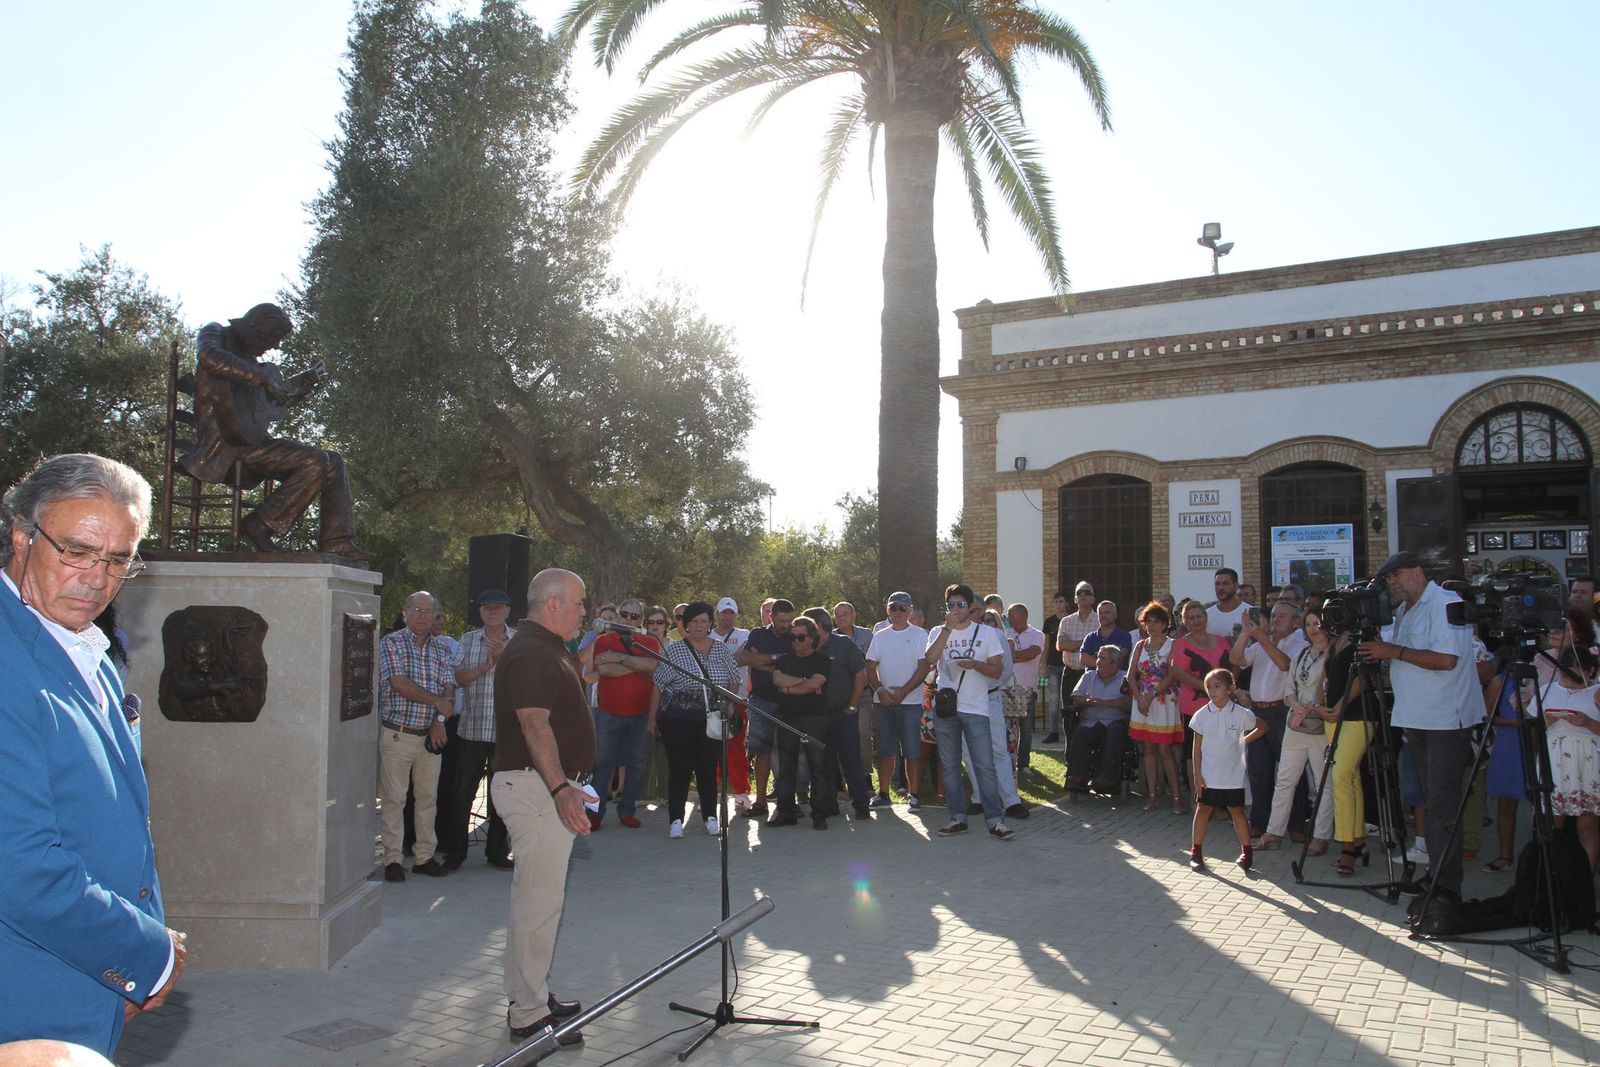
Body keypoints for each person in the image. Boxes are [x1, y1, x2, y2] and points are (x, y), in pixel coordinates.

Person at [0, 455, 185, 1055]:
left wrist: (124, 961)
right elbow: (18, 864)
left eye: (118, 560)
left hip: (86, 983)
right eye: (77, 552)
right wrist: (144, 953)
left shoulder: (88, 649)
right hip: (23, 1000)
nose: (97, 579)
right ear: (21, 536)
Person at [179, 303, 372, 560]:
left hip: (252, 443)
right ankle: (260, 524)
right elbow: (209, 357)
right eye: (273, 339)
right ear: (258, 328)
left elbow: (266, 406)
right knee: (314, 461)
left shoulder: (251, 363)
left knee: (333, 461)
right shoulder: (216, 334)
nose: (275, 346)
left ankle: (337, 541)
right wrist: (262, 377)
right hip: (226, 446)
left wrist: (304, 381)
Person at [492, 569, 593, 1046]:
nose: (584, 612)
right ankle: (528, 1015)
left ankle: (528, 994)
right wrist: (560, 790)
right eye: (579, 603)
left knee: (532, 901)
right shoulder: (532, 651)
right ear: (553, 604)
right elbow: (534, 725)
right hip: (536, 790)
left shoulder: (549, 647)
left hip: (540, 787)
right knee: (539, 904)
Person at [1359, 551, 1480, 903]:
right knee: (1431, 800)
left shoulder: (1445, 603)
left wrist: (1392, 652)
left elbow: (1446, 660)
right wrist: (1384, 657)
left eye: (1395, 575)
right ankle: (1435, 876)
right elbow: (1406, 659)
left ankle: (1447, 886)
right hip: (1416, 716)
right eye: (1388, 578)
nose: (1391, 582)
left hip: (1445, 718)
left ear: (1417, 571)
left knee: (1442, 803)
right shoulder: (1403, 610)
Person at [377, 591, 457, 880]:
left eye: (429, 611)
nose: (423, 616)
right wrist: (437, 702)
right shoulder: (391, 643)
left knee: (427, 799)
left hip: (429, 737)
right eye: (418, 610)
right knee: (394, 799)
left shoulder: (442, 649)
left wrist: (439, 720)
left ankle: (424, 857)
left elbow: (449, 689)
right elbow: (399, 683)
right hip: (398, 734)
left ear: (436, 615)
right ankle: (392, 859)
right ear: (405, 613)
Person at [926, 584, 1014, 840]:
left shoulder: (987, 633)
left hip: (976, 708)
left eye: (960, 604)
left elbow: (996, 670)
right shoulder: (939, 631)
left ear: (971, 607)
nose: (956, 609)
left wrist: (975, 664)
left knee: (985, 765)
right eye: (951, 605)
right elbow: (929, 659)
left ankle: (995, 821)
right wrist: (947, 628)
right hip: (947, 708)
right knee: (950, 765)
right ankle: (957, 818)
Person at [437, 588, 513, 870]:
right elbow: (455, 678)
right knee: (462, 794)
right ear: (480, 612)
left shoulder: (518, 641)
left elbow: (527, 679)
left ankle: (497, 851)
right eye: (487, 607)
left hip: (506, 734)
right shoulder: (467, 640)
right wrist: (485, 667)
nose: (492, 612)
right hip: (472, 731)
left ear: (507, 611)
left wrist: (503, 659)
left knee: (502, 796)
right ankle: (455, 853)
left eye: (498, 607)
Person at [651, 601, 740, 838]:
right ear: (686, 625)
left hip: (712, 718)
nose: (700, 625)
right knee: (680, 769)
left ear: (710, 623)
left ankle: (710, 817)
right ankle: (676, 820)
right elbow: (658, 685)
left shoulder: (720, 649)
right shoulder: (675, 651)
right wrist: (652, 719)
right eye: (694, 621)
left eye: (704, 621)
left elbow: (734, 679)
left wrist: (730, 704)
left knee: (708, 769)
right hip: (678, 719)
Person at [1255, 608, 1335, 856]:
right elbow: (1290, 686)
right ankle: (1273, 832)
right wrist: (1296, 704)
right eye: (1309, 624)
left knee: (1323, 782)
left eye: (1318, 623)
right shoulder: (1302, 653)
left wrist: (1313, 707)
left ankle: (1321, 836)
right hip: (1296, 723)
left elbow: (1330, 688)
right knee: (1285, 780)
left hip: (1320, 725)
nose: (1313, 629)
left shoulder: (1333, 654)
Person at [1230, 601, 1308, 838]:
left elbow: (1285, 665)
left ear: (1295, 622)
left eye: (1282, 616)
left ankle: (1297, 825)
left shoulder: (1300, 644)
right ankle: (1260, 823)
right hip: (1258, 713)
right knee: (1258, 771)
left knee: (1291, 771)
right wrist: (1246, 632)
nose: (1276, 619)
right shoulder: (1260, 643)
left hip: (1283, 713)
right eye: (1273, 615)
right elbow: (1236, 659)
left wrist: (1262, 639)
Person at [587, 598, 661, 829]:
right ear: (618, 616)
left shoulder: (650, 641)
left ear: (641, 620)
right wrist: (636, 665)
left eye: (634, 616)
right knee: (602, 764)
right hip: (608, 713)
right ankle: (594, 814)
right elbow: (603, 669)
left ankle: (627, 810)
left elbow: (653, 666)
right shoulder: (603, 640)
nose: (629, 619)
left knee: (636, 764)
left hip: (640, 714)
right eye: (625, 615)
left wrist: (619, 658)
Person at [1189, 669, 1267, 871]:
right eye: (1209, 687)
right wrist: (1197, 775)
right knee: (1203, 809)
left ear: (1230, 689)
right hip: (1209, 775)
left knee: (1237, 811)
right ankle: (1196, 852)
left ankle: (1246, 852)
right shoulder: (1201, 715)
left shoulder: (1242, 714)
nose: (1212, 691)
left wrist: (1243, 741)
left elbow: (1262, 727)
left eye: (1217, 686)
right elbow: (1196, 748)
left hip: (1233, 775)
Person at [802, 606, 872, 820]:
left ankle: (861, 804)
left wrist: (853, 705)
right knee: (823, 762)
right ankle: (828, 804)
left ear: (819, 626)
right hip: (817, 716)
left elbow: (861, 675)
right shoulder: (806, 647)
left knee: (851, 759)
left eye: (808, 626)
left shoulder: (843, 644)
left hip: (844, 713)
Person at [1540, 633, 1600, 871]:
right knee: (1552, 824)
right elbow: (1532, 725)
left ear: (1590, 671)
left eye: (1574, 675)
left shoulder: (1596, 693)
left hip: (1589, 764)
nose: (1567, 680)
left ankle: (1585, 880)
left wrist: (1588, 723)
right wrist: (1545, 721)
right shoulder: (1547, 690)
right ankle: (1553, 877)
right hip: (1556, 762)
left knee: (1587, 826)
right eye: (1564, 674)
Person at [769, 616, 834, 829]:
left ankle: (819, 814)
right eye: (792, 637)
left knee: (818, 766)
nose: (795, 641)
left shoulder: (822, 660)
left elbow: (817, 683)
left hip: (815, 719)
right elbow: (778, 680)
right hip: (787, 717)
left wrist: (791, 688)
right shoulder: (784, 660)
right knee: (786, 768)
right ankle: (785, 812)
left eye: (800, 637)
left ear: (812, 638)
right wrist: (804, 683)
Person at [866, 592, 929, 810]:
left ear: (910, 610)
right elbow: (870, 667)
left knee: (912, 751)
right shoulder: (880, 636)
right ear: (887, 610)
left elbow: (923, 667)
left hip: (910, 703)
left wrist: (904, 691)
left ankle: (914, 795)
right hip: (883, 702)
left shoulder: (920, 635)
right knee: (885, 750)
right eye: (893, 608)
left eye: (902, 608)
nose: (898, 612)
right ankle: (884, 794)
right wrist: (880, 690)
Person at [736, 597, 797, 817]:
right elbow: (742, 658)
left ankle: (787, 802)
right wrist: (776, 659)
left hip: (789, 701)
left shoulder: (796, 634)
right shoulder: (757, 634)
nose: (786, 625)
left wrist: (761, 661)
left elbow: (795, 665)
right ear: (771, 617)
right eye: (781, 621)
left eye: (789, 620)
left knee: (788, 752)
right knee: (761, 752)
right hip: (760, 700)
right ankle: (760, 802)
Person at [1127, 601, 1184, 813]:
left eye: (1156, 621)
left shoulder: (1173, 644)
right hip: (1142, 700)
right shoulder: (1140, 645)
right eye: (1148, 621)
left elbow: (1172, 674)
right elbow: (1130, 675)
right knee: (1148, 749)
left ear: (1164, 623)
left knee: (1164, 749)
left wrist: (1152, 695)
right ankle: (1152, 796)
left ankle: (1177, 796)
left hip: (1163, 699)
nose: (1152, 625)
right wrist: (1139, 697)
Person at [1065, 646, 1132, 796]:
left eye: (1102, 658)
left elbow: (1129, 702)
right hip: (1091, 722)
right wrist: (1087, 701)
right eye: (1098, 657)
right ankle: (1078, 777)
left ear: (1114, 663)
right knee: (1080, 732)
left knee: (1115, 732)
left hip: (1115, 721)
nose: (1098, 662)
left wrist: (1105, 703)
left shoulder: (1125, 678)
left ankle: (1107, 778)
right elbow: (1076, 698)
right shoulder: (1088, 676)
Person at [708, 597, 753, 813]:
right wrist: (732, 658)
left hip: (738, 699)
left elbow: (745, 658)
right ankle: (709, 792)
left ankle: (741, 793)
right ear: (717, 614)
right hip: (710, 699)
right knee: (710, 749)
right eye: (724, 613)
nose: (727, 617)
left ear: (735, 615)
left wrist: (722, 660)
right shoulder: (707, 635)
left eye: (731, 613)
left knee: (736, 748)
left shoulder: (745, 635)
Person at [1169, 601, 1229, 732]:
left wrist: (1228, 686)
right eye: (1191, 617)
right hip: (1194, 708)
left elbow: (1233, 663)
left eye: (1199, 616)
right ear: (1185, 622)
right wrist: (1208, 687)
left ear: (1205, 618)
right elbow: (1178, 672)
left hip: (1223, 705)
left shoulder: (1221, 640)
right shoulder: (1181, 644)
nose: (1196, 620)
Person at [1007, 603, 1046, 769]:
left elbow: (1032, 653)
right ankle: (1009, 762)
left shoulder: (1037, 635)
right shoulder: (1006, 634)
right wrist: (1018, 656)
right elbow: (1002, 657)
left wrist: (1012, 655)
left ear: (1022, 616)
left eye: (1011, 614)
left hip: (1027, 689)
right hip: (1008, 688)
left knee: (1025, 728)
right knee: (1009, 728)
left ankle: (1023, 764)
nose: (1008, 617)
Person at [1055, 583, 1098, 716]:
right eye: (1079, 593)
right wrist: (1086, 643)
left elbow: (1098, 647)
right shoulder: (1066, 621)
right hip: (1070, 674)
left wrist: (1072, 645)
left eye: (1087, 592)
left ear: (1093, 599)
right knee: (1068, 714)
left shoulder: (1099, 620)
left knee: (1090, 713)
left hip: (1091, 674)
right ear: (1074, 599)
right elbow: (1061, 645)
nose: (1083, 595)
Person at [1041, 591, 1069, 743]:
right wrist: (1044, 665)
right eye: (1056, 602)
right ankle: (1053, 732)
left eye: (1061, 601)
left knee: (1067, 700)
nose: (1058, 605)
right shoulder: (1049, 621)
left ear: (1067, 603)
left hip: (1068, 665)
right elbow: (1046, 645)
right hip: (1052, 666)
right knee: (1054, 701)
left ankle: (1069, 732)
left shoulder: (1071, 620)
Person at [1205, 568, 1251, 637]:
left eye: (1226, 583)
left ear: (1236, 585)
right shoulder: (1206, 615)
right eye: (1217, 584)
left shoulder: (1250, 613)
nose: (1220, 588)